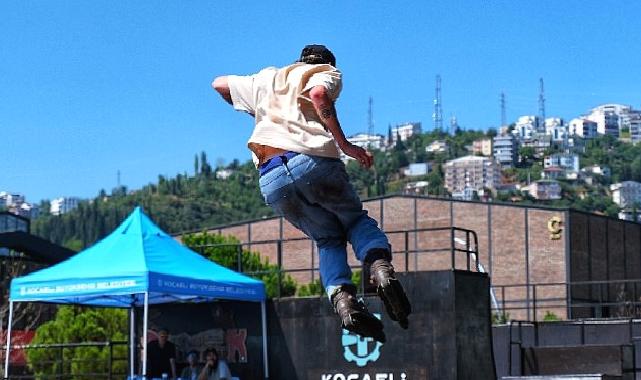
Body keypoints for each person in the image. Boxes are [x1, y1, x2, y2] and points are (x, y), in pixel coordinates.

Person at [211, 44, 411, 343]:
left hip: (272, 179)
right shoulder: (325, 72)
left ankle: (344, 304)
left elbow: (219, 84)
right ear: (327, 62)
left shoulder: (267, 79)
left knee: (328, 238)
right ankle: (380, 269)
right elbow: (318, 94)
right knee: (355, 222)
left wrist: (260, 108)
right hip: (313, 164)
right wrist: (345, 145)